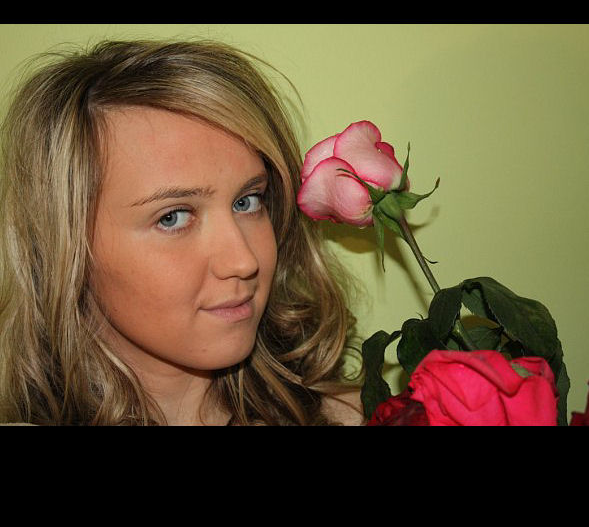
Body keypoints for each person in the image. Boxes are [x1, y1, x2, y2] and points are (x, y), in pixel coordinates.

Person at [0, 39, 365, 426]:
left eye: (247, 202)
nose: (243, 261)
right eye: (172, 217)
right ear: (65, 248)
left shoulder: (364, 415)